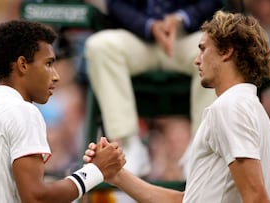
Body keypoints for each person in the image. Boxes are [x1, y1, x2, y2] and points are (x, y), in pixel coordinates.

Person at [84, 10, 270, 202]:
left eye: (203, 49)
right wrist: (117, 175)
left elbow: (256, 197)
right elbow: (185, 200)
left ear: (226, 51)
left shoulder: (230, 107)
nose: (197, 60)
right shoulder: (247, 107)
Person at [0, 20, 126, 203]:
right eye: (48, 64)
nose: (56, 76)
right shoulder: (23, 112)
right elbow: (36, 198)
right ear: (23, 65)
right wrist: (95, 170)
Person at [84, 0, 223, 177]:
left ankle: (201, 149)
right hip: (138, 38)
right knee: (99, 47)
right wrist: (149, 26)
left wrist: (180, 19)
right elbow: (116, 4)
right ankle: (127, 145)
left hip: (187, 38)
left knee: (216, 51)